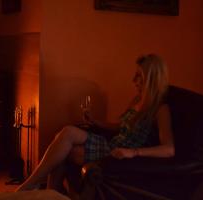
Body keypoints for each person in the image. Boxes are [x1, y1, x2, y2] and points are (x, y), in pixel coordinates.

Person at [16, 54, 174, 193]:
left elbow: (169, 149)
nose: (133, 80)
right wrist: (96, 122)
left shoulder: (160, 109)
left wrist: (133, 153)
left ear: (151, 78)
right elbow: (120, 127)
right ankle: (43, 188)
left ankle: (37, 187)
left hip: (121, 155)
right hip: (111, 144)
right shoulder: (137, 100)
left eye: (139, 76)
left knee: (67, 148)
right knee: (65, 134)